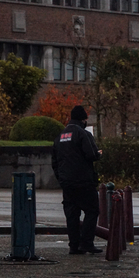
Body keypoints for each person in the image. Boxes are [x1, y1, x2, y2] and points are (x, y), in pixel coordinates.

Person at [52, 106, 103, 255]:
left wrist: (61, 178)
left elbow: (54, 161)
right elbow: (92, 154)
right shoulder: (83, 134)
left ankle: (74, 245)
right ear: (83, 120)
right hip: (83, 181)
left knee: (72, 214)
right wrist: (99, 154)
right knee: (92, 210)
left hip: (67, 182)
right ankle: (86, 243)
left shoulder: (60, 136)